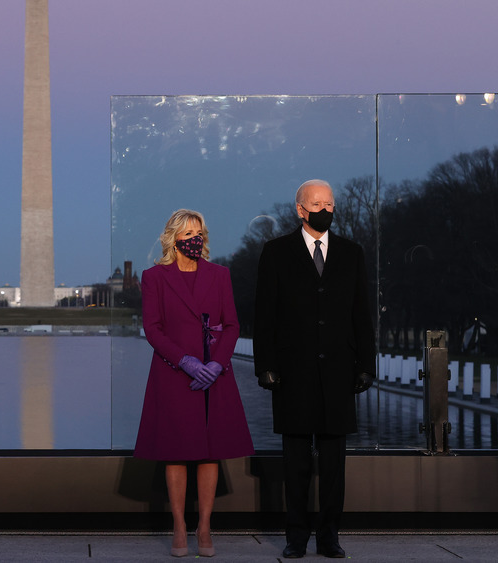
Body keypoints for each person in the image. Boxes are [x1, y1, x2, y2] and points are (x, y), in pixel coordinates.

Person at [253, 179, 376, 559]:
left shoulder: (351, 253)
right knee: (296, 462)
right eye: (316, 202)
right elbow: (264, 314)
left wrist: (365, 364)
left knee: (335, 464)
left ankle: (329, 535)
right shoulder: (275, 252)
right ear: (300, 209)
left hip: (338, 372)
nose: (325, 208)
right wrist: (266, 366)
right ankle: (296, 536)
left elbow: (361, 314)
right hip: (293, 373)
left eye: (329, 202)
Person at [134, 209, 254, 558]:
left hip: (213, 374)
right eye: (187, 232)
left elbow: (231, 325)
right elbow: (152, 328)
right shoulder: (154, 277)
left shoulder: (220, 275)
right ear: (173, 237)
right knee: (176, 452)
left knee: (208, 454)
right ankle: (179, 526)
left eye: (198, 231)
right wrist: (184, 361)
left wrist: (217, 363)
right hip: (174, 374)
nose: (194, 238)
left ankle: (204, 526)